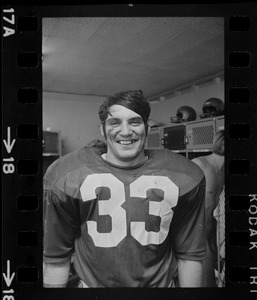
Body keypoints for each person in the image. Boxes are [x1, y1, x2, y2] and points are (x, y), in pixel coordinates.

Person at [43, 90, 207, 288]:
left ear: (146, 128)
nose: (126, 131)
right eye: (115, 122)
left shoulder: (183, 175)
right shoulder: (67, 176)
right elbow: (57, 258)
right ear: (102, 130)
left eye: (134, 122)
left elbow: (189, 256)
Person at [191, 130, 224, 287]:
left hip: (212, 226)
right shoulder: (199, 165)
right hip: (196, 228)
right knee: (207, 279)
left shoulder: (224, 171)